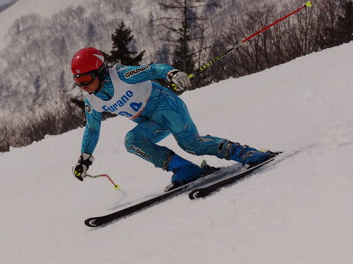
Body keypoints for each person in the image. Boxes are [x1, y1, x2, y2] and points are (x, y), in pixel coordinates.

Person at [70, 47, 275, 190]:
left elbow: (152, 69)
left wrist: (172, 74)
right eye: (77, 81)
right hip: (149, 122)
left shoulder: (122, 75)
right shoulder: (93, 102)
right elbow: (92, 130)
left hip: (165, 105)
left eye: (86, 79)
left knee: (192, 145)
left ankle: (247, 153)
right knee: (132, 141)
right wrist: (85, 159)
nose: (83, 85)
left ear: (100, 71)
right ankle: (185, 169)